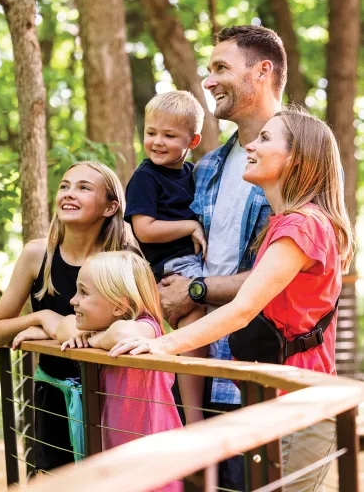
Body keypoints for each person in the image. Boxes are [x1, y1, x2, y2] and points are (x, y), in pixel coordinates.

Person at [109, 108, 355, 491]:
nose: (252, 145)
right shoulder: (286, 223)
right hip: (275, 399)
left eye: (266, 139)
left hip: (296, 404)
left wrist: (160, 345)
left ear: (296, 158)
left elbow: (242, 309)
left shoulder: (302, 225)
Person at [151, 25, 288, 490]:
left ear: (262, 72)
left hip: (267, 376)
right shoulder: (206, 167)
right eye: (209, 70)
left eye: (221, 68)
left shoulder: (301, 157)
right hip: (205, 371)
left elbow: (287, 272)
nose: (207, 81)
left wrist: (194, 290)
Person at [0, 161, 131, 471]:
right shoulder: (37, 255)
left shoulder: (123, 259)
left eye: (83, 187)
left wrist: (53, 330)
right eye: (64, 186)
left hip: (113, 396)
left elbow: (138, 327)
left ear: (110, 207)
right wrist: (41, 318)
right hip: (54, 396)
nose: (69, 193)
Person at [59, 251, 183, 492]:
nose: (73, 300)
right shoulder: (105, 330)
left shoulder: (148, 328)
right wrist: (42, 320)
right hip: (120, 462)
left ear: (118, 305)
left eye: (83, 292)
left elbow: (122, 334)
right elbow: (64, 326)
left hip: (154, 465)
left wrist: (92, 339)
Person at [124, 90, 208, 424]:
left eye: (169, 136)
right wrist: (189, 226)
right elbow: (144, 229)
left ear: (193, 140)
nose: (157, 142)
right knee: (199, 307)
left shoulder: (191, 174)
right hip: (171, 263)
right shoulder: (145, 177)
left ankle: (191, 404)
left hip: (192, 259)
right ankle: (192, 412)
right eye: (151, 133)